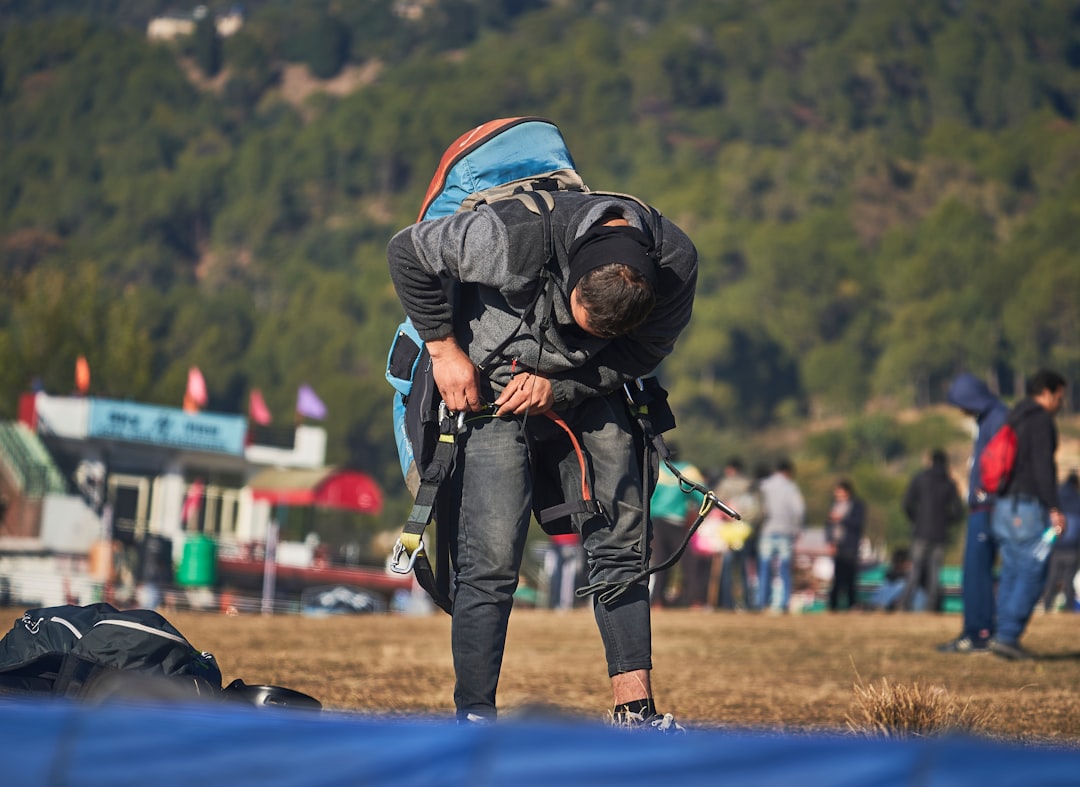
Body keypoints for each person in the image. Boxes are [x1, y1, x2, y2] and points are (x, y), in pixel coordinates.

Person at [387, 171, 697, 727]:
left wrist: (563, 383)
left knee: (624, 543)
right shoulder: (510, 239)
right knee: (491, 558)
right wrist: (443, 352)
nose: (578, 337)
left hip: (592, 386)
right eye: (576, 323)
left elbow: (639, 356)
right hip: (490, 385)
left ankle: (637, 712)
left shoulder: (675, 264)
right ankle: (475, 718)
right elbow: (406, 252)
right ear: (569, 277)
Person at [989, 369, 1068, 659]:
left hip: (1003, 506)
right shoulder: (1041, 421)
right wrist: (1055, 508)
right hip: (1026, 507)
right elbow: (1042, 467)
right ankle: (1008, 636)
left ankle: (1001, 633)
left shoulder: (1014, 416)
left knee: (1011, 570)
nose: (1062, 404)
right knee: (1034, 570)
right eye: (1060, 397)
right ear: (1047, 393)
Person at [937, 372, 1010, 652]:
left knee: (977, 572)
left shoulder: (998, 417)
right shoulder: (988, 418)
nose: (960, 410)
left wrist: (986, 492)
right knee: (973, 571)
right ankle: (976, 628)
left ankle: (978, 632)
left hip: (988, 505)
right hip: (983, 504)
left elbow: (1001, 461)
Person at [897, 449, 964, 612]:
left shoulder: (920, 479)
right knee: (935, 572)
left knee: (915, 570)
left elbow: (906, 504)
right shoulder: (949, 483)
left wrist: (916, 520)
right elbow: (958, 512)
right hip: (940, 534)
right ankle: (931, 606)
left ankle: (904, 603)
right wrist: (946, 521)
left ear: (931, 461)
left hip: (921, 532)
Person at [648, 449, 705, 608]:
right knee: (688, 562)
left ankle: (657, 601)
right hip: (678, 522)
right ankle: (695, 601)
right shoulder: (688, 470)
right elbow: (702, 496)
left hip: (656, 521)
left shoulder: (656, 468)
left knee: (660, 561)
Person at [756, 459, 805, 613]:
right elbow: (799, 510)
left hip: (766, 531)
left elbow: (757, 507)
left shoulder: (764, 485)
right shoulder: (791, 487)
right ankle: (784, 603)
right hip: (785, 532)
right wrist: (796, 529)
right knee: (784, 569)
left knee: (764, 568)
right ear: (788, 472)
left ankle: (762, 602)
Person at [714, 458, 762, 610]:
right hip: (746, 530)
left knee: (727, 568)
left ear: (730, 469)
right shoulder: (752, 485)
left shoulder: (725, 484)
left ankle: (727, 602)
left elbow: (715, 503)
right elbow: (760, 509)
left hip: (728, 530)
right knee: (743, 568)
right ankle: (747, 602)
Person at [1041, 471, 1080, 613]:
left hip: (1056, 546)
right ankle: (1069, 610)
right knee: (1069, 581)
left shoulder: (1056, 498)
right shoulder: (1077, 499)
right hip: (1072, 549)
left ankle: (1046, 607)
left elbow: (1047, 519)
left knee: (1052, 579)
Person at [826, 479, 865, 612]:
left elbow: (857, 524)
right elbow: (828, 526)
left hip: (850, 546)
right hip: (837, 546)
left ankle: (851, 604)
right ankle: (833, 606)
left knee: (850, 577)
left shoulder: (857, 505)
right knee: (837, 577)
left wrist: (841, 519)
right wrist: (830, 542)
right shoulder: (834, 505)